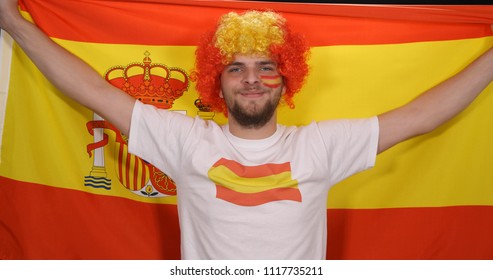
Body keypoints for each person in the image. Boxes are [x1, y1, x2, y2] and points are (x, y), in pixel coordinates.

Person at [1, 1, 492, 259]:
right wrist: (14, 23)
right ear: (218, 81)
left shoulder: (320, 145)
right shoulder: (186, 139)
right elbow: (95, 92)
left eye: (265, 67)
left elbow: (422, 116)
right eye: (236, 68)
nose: (252, 78)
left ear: (287, 79)